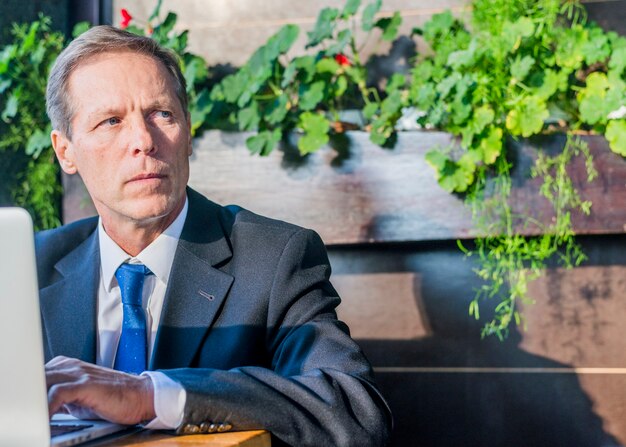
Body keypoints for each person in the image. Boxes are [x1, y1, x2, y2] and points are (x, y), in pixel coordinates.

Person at [36, 25, 391, 447]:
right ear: (65, 151)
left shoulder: (274, 258)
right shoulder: (27, 267)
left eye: (161, 114)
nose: (143, 141)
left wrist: (153, 395)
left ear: (187, 132)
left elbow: (354, 413)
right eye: (111, 121)